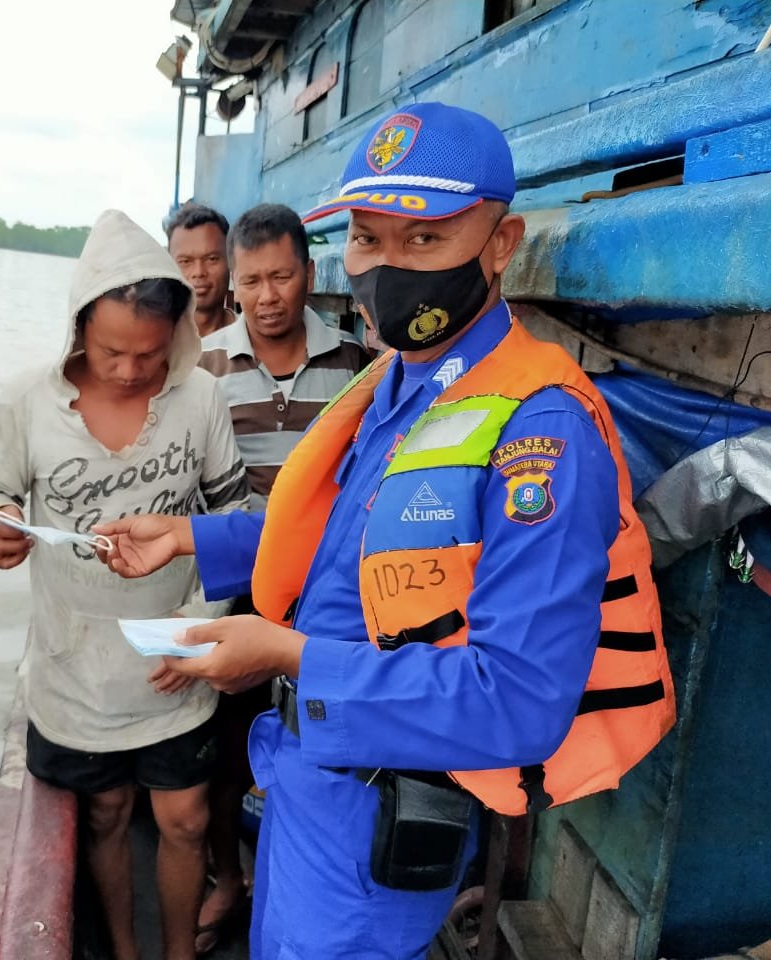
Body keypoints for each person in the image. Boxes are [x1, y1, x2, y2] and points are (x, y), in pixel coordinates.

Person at [94, 102, 675, 959]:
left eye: (425, 240)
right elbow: (345, 540)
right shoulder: (399, 384)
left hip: (376, 810)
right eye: (368, 239)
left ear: (501, 243)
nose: (386, 269)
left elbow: (514, 702)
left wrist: (286, 656)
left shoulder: (542, 434)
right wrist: (187, 538)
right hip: (306, 776)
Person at [0, 208, 249, 960]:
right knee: (105, 815)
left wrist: (201, 625)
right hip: (74, 664)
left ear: (178, 340)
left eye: (149, 356)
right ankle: (124, 949)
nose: (128, 371)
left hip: (174, 659)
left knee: (186, 820)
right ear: (78, 329)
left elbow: (235, 519)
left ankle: (178, 953)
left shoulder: (202, 403)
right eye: (111, 351)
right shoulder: (28, 400)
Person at [190, 201, 368, 954]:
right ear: (233, 285)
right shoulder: (205, 370)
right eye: (251, 280)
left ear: (309, 274)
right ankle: (228, 876)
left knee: (320, 731)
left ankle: (309, 871)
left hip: (326, 593)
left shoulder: (355, 365)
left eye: (282, 276)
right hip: (237, 582)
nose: (267, 296)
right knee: (227, 743)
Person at [166, 202, 236, 337]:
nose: (199, 272)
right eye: (185, 261)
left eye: (211, 259)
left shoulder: (255, 340)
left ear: (230, 262)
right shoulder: (152, 342)